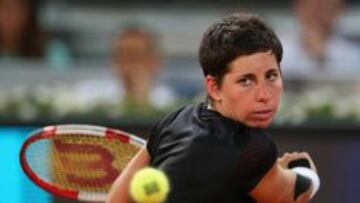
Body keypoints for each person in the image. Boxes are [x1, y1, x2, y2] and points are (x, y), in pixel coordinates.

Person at [107, 12, 320, 203]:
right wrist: (305, 169)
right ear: (214, 87)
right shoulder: (252, 150)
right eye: (246, 81)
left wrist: (271, 171)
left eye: (271, 76)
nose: (264, 95)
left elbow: (115, 200)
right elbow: (296, 193)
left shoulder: (174, 121)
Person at [73, 25, 177, 116]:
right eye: (122, 55)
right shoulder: (89, 95)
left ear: (155, 61)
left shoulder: (169, 103)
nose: (129, 64)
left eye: (135, 55)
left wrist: (141, 98)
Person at [281, 0, 360, 76]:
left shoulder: (353, 56)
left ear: (339, 9)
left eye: (325, 6)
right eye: (311, 5)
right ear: (298, 6)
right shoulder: (278, 50)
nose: (318, 12)